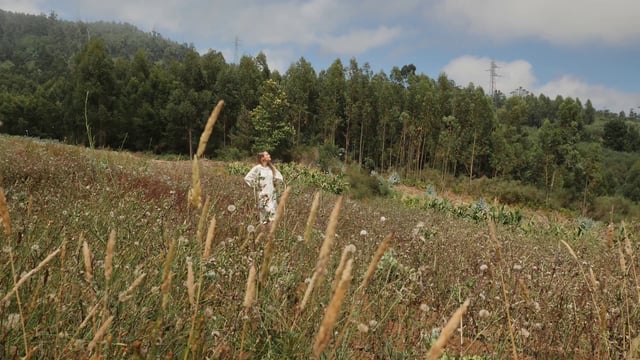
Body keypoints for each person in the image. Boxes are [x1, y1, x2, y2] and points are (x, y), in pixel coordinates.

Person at [244, 151, 284, 224]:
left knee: (271, 215)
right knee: (267, 215)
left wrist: (275, 181)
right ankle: (266, 231)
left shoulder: (271, 168)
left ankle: (268, 233)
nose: (269, 155)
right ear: (262, 158)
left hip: (272, 194)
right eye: (267, 154)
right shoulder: (257, 168)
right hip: (262, 195)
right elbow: (247, 178)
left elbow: (280, 177)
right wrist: (256, 185)